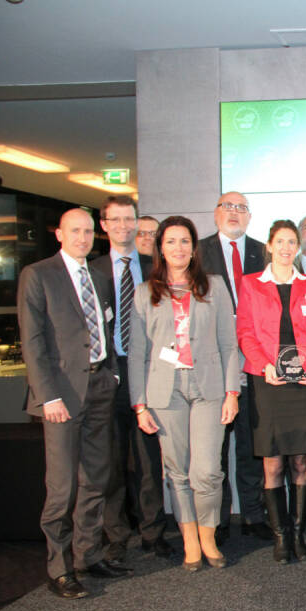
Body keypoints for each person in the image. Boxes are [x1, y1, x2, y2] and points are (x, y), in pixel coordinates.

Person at [18, 208, 127, 599]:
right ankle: (59, 567)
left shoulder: (97, 276)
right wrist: (47, 395)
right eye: (74, 231)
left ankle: (88, 555)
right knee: (62, 487)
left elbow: (106, 326)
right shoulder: (39, 275)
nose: (82, 238)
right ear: (59, 235)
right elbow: (32, 343)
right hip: (61, 396)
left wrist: (112, 372)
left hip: (99, 386)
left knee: (96, 479)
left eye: (87, 232)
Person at [129, 216, 239, 571]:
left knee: (206, 471)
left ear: (195, 248)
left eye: (185, 241)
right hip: (164, 391)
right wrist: (139, 403)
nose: (179, 248)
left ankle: (208, 534)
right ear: (161, 247)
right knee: (176, 472)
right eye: (172, 241)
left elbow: (229, 343)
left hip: (208, 387)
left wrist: (232, 392)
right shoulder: (145, 293)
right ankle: (190, 540)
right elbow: (138, 353)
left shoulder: (215, 286)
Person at [236, 219, 306, 564]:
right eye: (282, 241)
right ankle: (280, 536)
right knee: (273, 463)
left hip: (304, 384)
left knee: (302, 461)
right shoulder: (250, 285)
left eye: (293, 242)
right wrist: (264, 365)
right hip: (269, 382)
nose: (288, 247)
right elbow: (245, 332)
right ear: (270, 246)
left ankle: (300, 534)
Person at [90, 196, 171, 561]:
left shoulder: (155, 268)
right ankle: (117, 534)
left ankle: (153, 532)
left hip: (148, 372)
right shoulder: (90, 271)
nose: (124, 226)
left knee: (148, 459)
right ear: (104, 225)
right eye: (116, 220)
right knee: (111, 459)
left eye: (129, 219)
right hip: (106, 374)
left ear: (138, 223)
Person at [197, 191, 271, 544]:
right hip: (213, 362)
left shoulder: (263, 252)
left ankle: (255, 514)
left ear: (249, 217)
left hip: (257, 361)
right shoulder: (198, 253)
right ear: (216, 214)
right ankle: (221, 516)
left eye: (242, 208)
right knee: (215, 446)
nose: (235, 213)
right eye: (228, 206)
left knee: (250, 442)